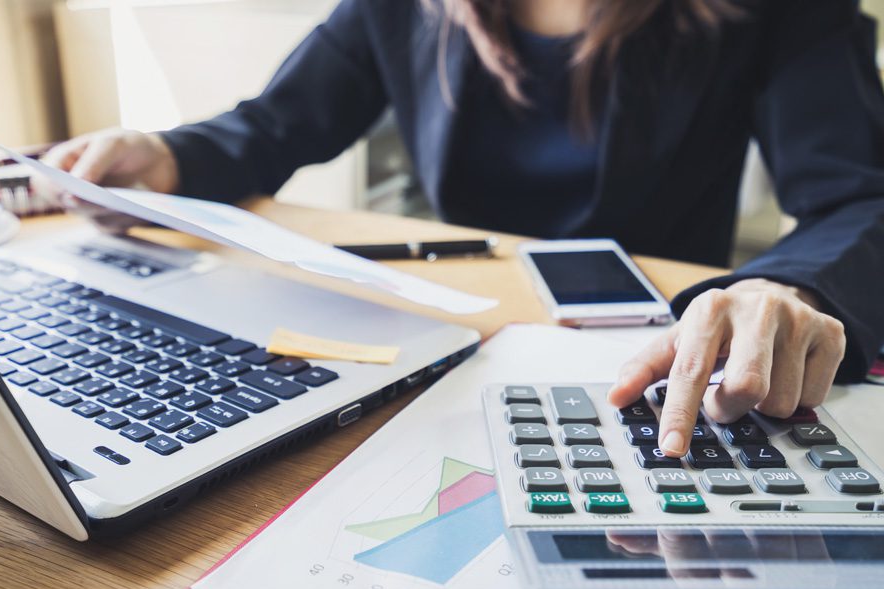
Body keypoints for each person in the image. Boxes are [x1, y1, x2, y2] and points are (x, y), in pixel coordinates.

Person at [43, 0, 884, 458]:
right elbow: (273, 127)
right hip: (457, 346)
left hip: (650, 355)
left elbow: (857, 196)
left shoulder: (784, 11)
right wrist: (162, 154)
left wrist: (781, 285)